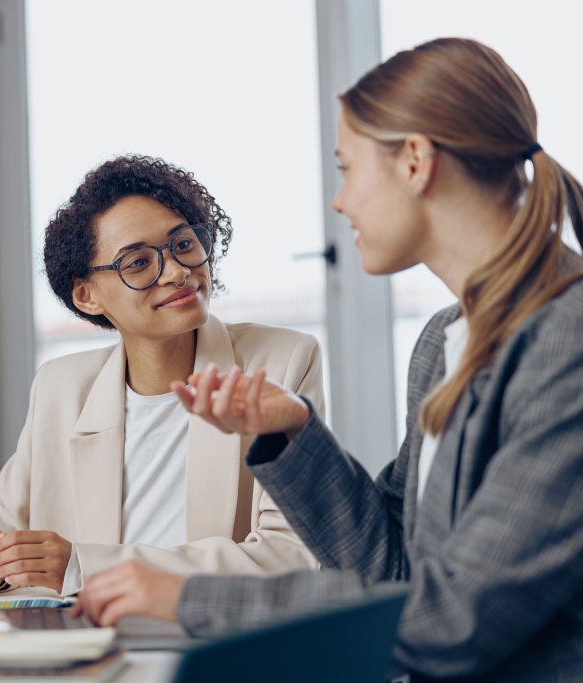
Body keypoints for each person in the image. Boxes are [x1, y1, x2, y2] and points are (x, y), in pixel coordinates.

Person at [73, 38, 583, 681]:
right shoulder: (444, 341)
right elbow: (394, 568)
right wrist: (293, 435)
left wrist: (190, 599)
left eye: (347, 169)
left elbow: (453, 619)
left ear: (416, 162)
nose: (340, 202)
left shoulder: (567, 341)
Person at [0, 155, 325, 598]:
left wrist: (84, 567)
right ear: (87, 296)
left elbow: (291, 555)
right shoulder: (60, 387)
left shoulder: (283, 360)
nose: (178, 272)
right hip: (84, 634)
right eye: (137, 263)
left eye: (184, 244)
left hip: (209, 632)